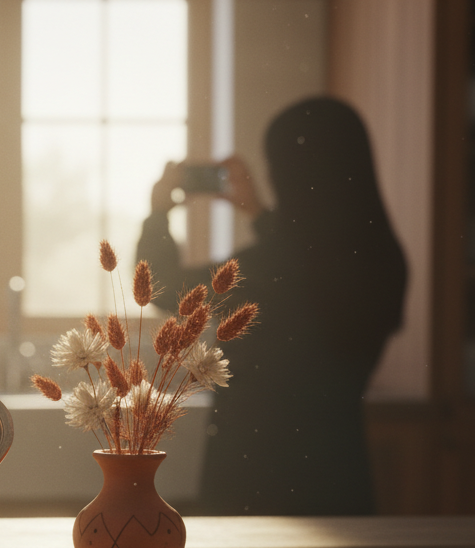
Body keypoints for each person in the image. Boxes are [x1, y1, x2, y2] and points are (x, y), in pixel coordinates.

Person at [138, 96, 407, 515]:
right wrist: (261, 214)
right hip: (339, 480)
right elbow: (311, 260)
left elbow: (159, 289)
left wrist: (157, 214)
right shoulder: (385, 262)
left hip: (254, 486)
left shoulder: (264, 270)